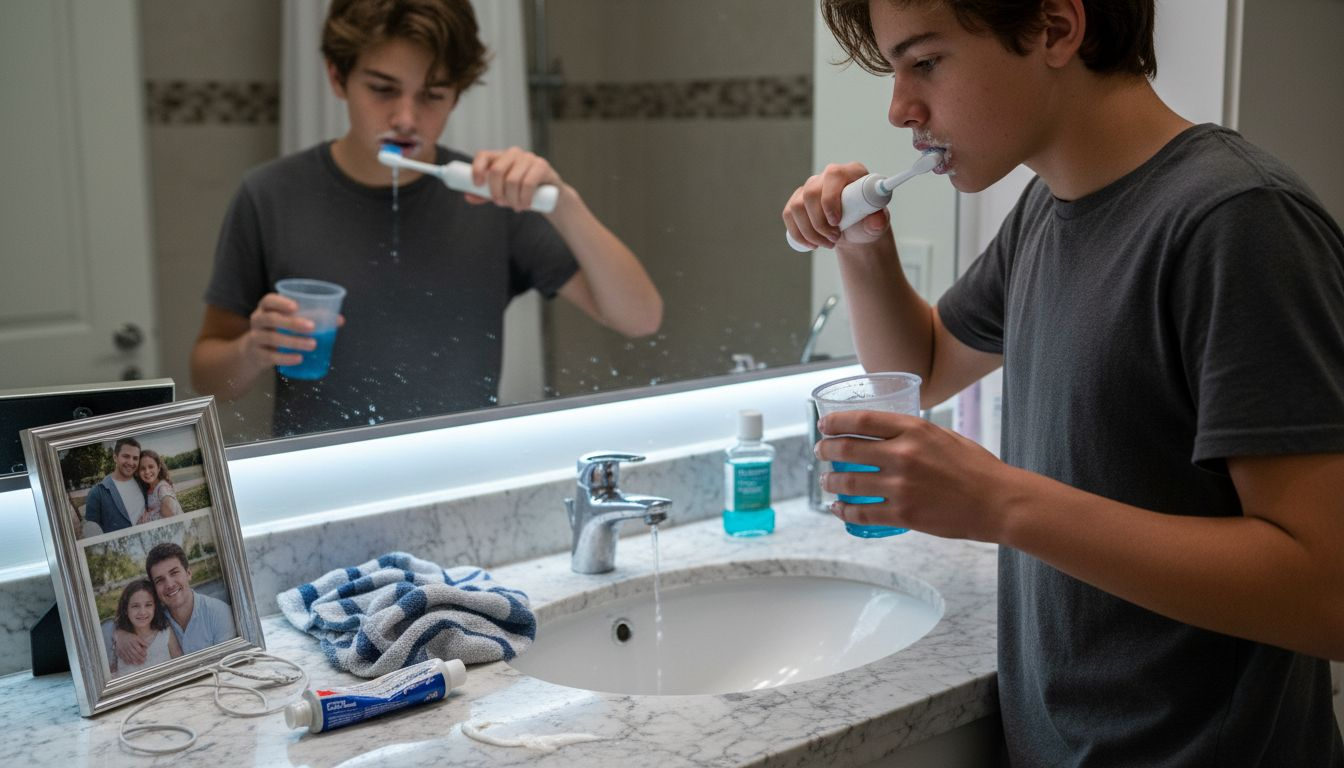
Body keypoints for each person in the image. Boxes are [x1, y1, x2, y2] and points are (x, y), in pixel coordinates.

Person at [785, 1, 1344, 765]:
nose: (899, 108)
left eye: (926, 62)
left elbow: (1327, 593)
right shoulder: (1048, 209)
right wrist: (861, 248)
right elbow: (926, 366)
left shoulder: (1237, 222)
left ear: (1055, 28)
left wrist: (1000, 501)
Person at [190, 0, 663, 436]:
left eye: (433, 95)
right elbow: (209, 379)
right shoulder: (270, 195)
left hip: (457, 479)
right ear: (337, 78)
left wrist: (562, 201)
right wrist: (253, 350)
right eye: (382, 89)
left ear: (456, 96)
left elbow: (640, 317)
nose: (407, 118)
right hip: (319, 485)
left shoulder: (490, 202)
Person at [115, 542, 237, 665]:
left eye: (174, 573)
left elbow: (230, 668)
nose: (169, 584)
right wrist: (120, 636)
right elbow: (112, 624)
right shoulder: (153, 617)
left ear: (188, 573)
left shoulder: (220, 614)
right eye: (160, 580)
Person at [109, 579, 182, 677]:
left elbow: (181, 666)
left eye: (148, 605)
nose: (142, 612)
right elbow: (112, 675)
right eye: (135, 606)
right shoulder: (120, 642)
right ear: (126, 609)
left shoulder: (165, 633)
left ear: (155, 607)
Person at [81, 438, 146, 535]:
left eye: (135, 458)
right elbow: (91, 534)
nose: (131, 462)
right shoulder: (97, 493)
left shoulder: (143, 483)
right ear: (115, 457)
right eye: (126, 456)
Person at [135, 449, 182, 523]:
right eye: (142, 468)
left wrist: (148, 517)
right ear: (138, 472)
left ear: (159, 468)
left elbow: (169, 512)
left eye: (151, 467)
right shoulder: (148, 489)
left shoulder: (162, 488)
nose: (147, 471)